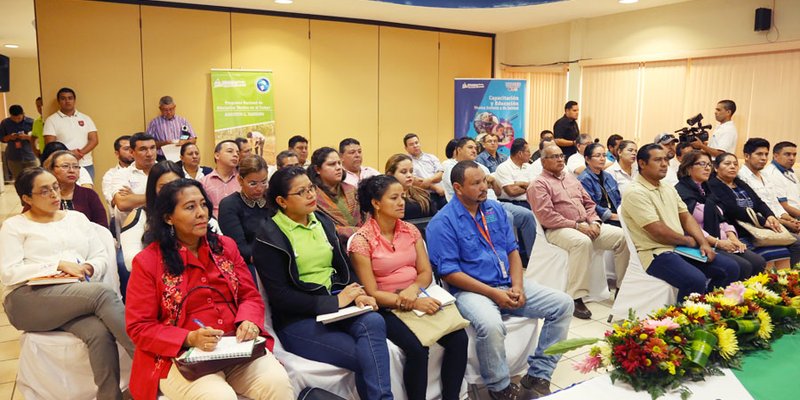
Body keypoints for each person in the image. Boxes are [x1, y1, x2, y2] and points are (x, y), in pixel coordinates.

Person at [126, 179, 293, 400]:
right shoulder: (148, 261)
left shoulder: (225, 247)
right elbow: (139, 327)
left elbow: (249, 295)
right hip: (180, 357)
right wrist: (189, 338)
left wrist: (248, 321)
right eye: (190, 207)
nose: (201, 213)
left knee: (277, 383)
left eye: (203, 205)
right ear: (168, 218)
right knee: (218, 396)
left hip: (236, 348)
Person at [427, 160, 573, 400]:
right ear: (458, 187)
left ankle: (538, 374)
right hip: (470, 291)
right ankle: (500, 387)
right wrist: (494, 294)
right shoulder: (443, 222)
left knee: (563, 304)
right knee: (491, 326)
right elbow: (450, 273)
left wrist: (517, 285)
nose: (484, 187)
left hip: (506, 282)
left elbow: (512, 251)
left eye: (485, 180)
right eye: (476, 183)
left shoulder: (495, 211)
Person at [253, 166, 391, 400]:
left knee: (374, 320)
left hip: (338, 308)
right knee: (365, 357)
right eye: (302, 192)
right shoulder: (269, 237)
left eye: (311, 188)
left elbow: (344, 266)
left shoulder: (322, 223)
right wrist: (334, 302)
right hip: (299, 320)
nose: (311, 195)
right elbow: (281, 297)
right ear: (281, 201)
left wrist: (358, 293)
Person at [0, 168, 134, 400]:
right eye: (44, 191)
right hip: (26, 299)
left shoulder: (77, 219)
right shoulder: (15, 226)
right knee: (102, 294)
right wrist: (58, 265)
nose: (54, 194)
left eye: (55, 187)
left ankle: (110, 397)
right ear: (27, 198)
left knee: (98, 332)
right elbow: (8, 273)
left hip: (75, 295)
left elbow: (100, 255)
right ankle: (154, 364)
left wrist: (90, 267)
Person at [349, 175, 468, 400]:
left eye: (402, 196)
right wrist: (411, 300)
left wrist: (414, 290)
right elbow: (372, 292)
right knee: (416, 349)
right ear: (376, 203)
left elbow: (425, 272)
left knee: (459, 338)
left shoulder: (410, 231)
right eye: (394, 198)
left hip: (417, 294)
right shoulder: (361, 241)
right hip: (386, 306)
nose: (402, 202)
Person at [621, 144, 740, 301]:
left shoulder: (667, 187)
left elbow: (686, 217)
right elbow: (657, 231)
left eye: (666, 159)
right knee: (695, 280)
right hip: (656, 253)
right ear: (642, 164)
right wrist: (689, 241)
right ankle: (684, 322)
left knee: (730, 268)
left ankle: (711, 311)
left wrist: (703, 243)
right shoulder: (636, 192)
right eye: (658, 160)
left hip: (679, 248)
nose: (664, 164)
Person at [530, 145, 629, 319]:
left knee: (622, 237)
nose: (560, 159)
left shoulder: (570, 178)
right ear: (543, 161)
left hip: (586, 224)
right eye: (554, 157)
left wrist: (595, 222)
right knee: (581, 242)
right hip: (558, 229)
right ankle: (576, 297)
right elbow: (547, 216)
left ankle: (622, 289)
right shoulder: (538, 184)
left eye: (561, 156)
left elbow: (589, 204)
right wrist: (577, 225)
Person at [443, 137, 537, 264]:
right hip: (476, 208)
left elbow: (497, 192)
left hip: (496, 203)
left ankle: (532, 258)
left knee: (527, 215)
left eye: (475, 148)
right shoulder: (452, 168)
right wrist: (485, 184)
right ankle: (505, 260)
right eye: (470, 147)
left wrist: (493, 181)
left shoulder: (481, 167)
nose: (474, 150)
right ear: (459, 150)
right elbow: (467, 195)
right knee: (506, 217)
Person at [675, 150, 767, 278]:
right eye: (702, 164)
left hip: (722, 238)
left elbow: (722, 218)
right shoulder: (682, 192)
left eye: (709, 165)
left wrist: (733, 237)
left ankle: (750, 296)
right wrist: (718, 243)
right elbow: (688, 226)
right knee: (742, 266)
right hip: (701, 242)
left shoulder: (707, 188)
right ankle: (726, 297)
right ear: (689, 167)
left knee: (758, 262)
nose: (707, 168)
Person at [707, 152, 800, 267]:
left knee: (796, 242)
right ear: (716, 168)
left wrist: (770, 216)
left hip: (758, 226)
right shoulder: (713, 185)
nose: (732, 166)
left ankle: (791, 279)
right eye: (727, 163)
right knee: (768, 255)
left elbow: (759, 203)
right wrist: (764, 222)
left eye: (735, 164)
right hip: (739, 229)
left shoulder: (740, 183)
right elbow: (733, 210)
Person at [119, 161, 185, 271]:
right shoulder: (139, 216)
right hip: (155, 277)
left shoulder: (199, 213)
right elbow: (131, 261)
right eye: (163, 186)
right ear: (153, 188)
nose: (171, 191)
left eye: (176, 184)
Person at [219, 155, 271, 280]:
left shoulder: (271, 200)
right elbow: (239, 247)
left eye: (264, 182)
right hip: (248, 262)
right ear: (240, 180)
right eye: (253, 183)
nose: (259, 188)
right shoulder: (229, 205)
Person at [737, 138, 800, 233]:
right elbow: (754, 210)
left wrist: (790, 219)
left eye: (766, 154)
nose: (764, 158)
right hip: (762, 225)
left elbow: (775, 203)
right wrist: (785, 223)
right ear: (747, 156)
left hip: (779, 221)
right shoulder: (741, 177)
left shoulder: (765, 176)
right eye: (759, 154)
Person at [307, 147, 363, 242]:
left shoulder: (351, 189)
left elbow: (365, 217)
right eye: (332, 164)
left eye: (339, 163)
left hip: (362, 243)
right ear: (317, 169)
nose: (338, 168)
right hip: (331, 246)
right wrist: (356, 232)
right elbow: (321, 228)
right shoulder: (312, 196)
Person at [43, 88, 99, 179]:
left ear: (74, 100)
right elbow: (50, 145)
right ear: (58, 101)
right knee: (66, 192)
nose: (67, 101)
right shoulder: (51, 120)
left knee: (86, 191)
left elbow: (94, 140)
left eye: (70, 98)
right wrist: (70, 155)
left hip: (86, 164)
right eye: (63, 98)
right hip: (63, 166)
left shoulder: (86, 118)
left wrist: (80, 153)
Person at [43, 150, 108, 228]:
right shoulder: (42, 195)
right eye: (65, 166)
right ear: (51, 169)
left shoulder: (89, 195)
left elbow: (102, 226)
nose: (72, 170)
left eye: (76, 166)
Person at [111, 133, 158, 223]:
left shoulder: (167, 171)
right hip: (132, 230)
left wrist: (134, 197)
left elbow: (176, 200)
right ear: (132, 152)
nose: (149, 153)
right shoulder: (121, 175)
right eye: (143, 149)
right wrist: (159, 195)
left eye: (152, 148)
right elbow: (122, 203)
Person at [577, 143, 622, 227]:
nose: (602, 159)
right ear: (587, 159)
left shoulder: (608, 176)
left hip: (617, 215)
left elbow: (618, 199)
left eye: (604, 155)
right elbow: (590, 205)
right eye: (598, 156)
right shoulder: (584, 179)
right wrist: (613, 216)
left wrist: (622, 214)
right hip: (601, 218)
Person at [385, 153, 438, 220]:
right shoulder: (386, 200)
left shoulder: (424, 195)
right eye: (404, 172)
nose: (409, 175)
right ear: (390, 175)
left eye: (411, 171)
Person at [146, 96, 196, 161]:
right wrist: (164, 143)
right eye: (165, 110)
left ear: (175, 107)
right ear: (160, 109)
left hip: (181, 157)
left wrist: (184, 142)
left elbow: (193, 139)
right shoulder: (154, 123)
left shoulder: (182, 121)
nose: (169, 112)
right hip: (162, 158)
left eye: (171, 109)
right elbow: (148, 144)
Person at [404, 133, 447, 210]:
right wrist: (434, 187)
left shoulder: (431, 157)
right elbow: (415, 181)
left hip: (441, 194)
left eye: (416, 143)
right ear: (406, 148)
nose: (415, 146)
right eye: (411, 144)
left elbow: (440, 174)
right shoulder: (406, 161)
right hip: (422, 196)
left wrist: (429, 180)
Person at [200, 140, 241, 218]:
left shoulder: (243, 180)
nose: (235, 155)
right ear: (217, 155)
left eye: (238, 153)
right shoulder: (204, 182)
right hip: (214, 226)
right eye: (230, 151)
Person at [494, 138, 536, 209]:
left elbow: (536, 187)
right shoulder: (504, 167)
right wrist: (528, 187)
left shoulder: (529, 167)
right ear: (520, 153)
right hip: (512, 204)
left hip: (530, 203)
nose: (530, 154)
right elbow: (512, 191)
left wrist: (521, 184)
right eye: (528, 151)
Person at [762, 141, 800, 219]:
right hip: (790, 217)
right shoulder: (772, 174)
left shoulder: (789, 171)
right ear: (775, 156)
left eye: (794, 155)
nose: (792, 158)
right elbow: (784, 206)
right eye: (787, 154)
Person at [0, 105, 39, 180]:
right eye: (14, 119)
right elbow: (2, 139)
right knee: (19, 180)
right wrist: (10, 137)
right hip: (13, 157)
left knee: (34, 179)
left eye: (19, 118)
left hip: (30, 156)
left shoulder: (31, 122)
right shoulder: (5, 123)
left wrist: (26, 137)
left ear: (23, 114)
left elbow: (38, 138)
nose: (16, 120)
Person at [101, 135, 134, 205]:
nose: (131, 152)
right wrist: (137, 196)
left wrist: (132, 196)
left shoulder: (146, 170)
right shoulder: (110, 175)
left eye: (133, 148)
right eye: (127, 149)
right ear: (117, 154)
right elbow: (114, 202)